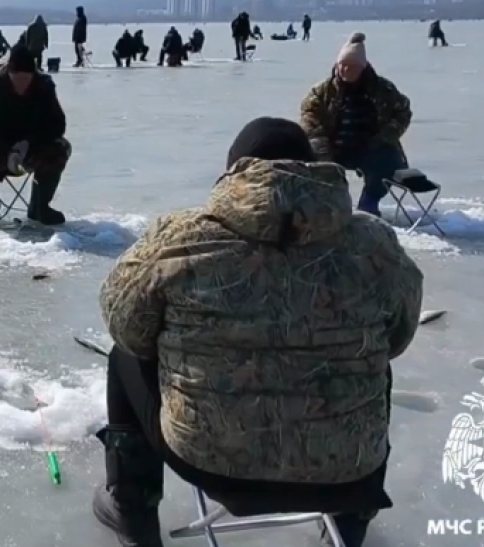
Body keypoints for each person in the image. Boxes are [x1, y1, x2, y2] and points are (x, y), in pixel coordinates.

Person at [93, 116, 423, 547]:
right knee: (372, 357)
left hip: (211, 460)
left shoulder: (178, 238)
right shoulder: (374, 242)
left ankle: (133, 510)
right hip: (346, 468)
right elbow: (398, 335)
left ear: (234, 172)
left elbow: (126, 325)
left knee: (124, 357)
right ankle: (351, 520)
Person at [300, 32, 413, 216]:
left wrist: (386, 136)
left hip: (371, 146)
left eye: (351, 67)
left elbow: (403, 112)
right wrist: (322, 151)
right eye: (342, 65)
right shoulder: (322, 92)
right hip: (333, 148)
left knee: (388, 163)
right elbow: (309, 120)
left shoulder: (382, 89)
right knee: (312, 165)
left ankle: (369, 203)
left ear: (362, 67)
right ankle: (328, 206)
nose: (345, 70)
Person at [0, 46, 70, 228]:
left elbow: (57, 124)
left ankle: (40, 207)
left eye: (26, 79)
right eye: (17, 79)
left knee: (61, 147)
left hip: (31, 151)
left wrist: (27, 144)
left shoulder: (44, 86)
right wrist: (7, 150)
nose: (22, 85)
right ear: (8, 73)